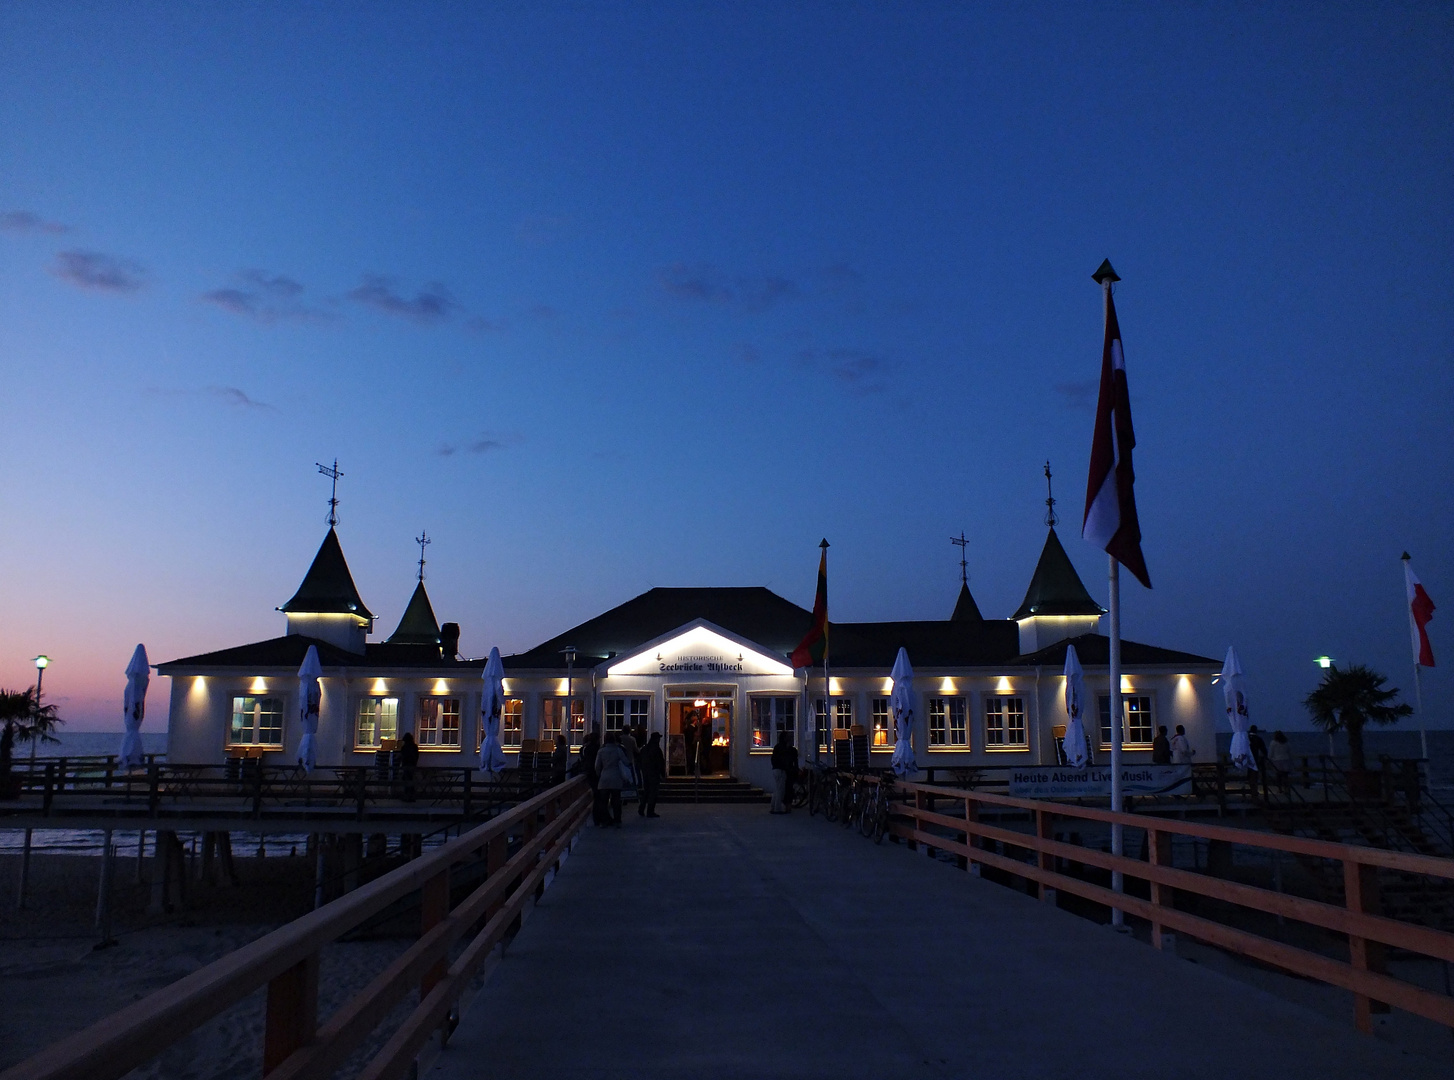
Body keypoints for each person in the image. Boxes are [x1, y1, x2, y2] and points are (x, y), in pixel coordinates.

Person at [594, 731, 627, 827]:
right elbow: (625, 761)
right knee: (616, 801)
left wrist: (599, 775)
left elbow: (597, 766)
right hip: (616, 776)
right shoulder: (618, 750)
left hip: (604, 777)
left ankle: (605, 821)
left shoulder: (601, 751)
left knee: (603, 802)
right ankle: (617, 820)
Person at [638, 731, 665, 818]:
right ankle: (650, 810)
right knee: (653, 792)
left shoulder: (645, 749)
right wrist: (662, 774)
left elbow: (640, 760)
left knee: (646, 791)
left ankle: (641, 808)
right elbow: (660, 762)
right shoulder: (656, 750)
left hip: (646, 773)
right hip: (654, 773)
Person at [770, 731, 797, 814]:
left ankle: (773, 807)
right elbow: (786, 759)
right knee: (780, 790)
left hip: (776, 769)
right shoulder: (785, 748)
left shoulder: (777, 747)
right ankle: (777, 808)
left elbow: (774, 759)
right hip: (781, 770)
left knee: (777, 789)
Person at [580, 724, 602, 822]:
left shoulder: (586, 749)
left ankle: (596, 817)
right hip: (595, 773)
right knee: (598, 796)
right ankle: (597, 817)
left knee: (595, 795)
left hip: (589, 772)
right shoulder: (596, 749)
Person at [399, 731, 419, 802]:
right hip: (412, 765)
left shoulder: (404, 747)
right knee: (411, 780)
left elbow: (402, 756)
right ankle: (412, 796)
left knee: (406, 780)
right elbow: (416, 756)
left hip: (406, 765)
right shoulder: (414, 747)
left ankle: (407, 796)